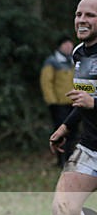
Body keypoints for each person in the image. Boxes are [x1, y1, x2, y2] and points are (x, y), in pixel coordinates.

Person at [50, 0, 97, 215]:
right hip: (91, 148)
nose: (82, 20)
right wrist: (66, 127)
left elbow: (91, 100)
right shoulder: (79, 54)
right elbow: (84, 99)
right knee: (64, 213)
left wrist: (94, 102)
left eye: (90, 15)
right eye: (79, 14)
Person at [40, 36, 76, 167]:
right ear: (60, 46)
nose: (68, 47)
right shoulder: (52, 61)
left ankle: (69, 158)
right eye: (65, 44)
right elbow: (46, 82)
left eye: (70, 44)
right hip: (59, 104)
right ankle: (60, 160)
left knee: (73, 133)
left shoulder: (74, 60)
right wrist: (52, 101)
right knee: (60, 132)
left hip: (74, 103)